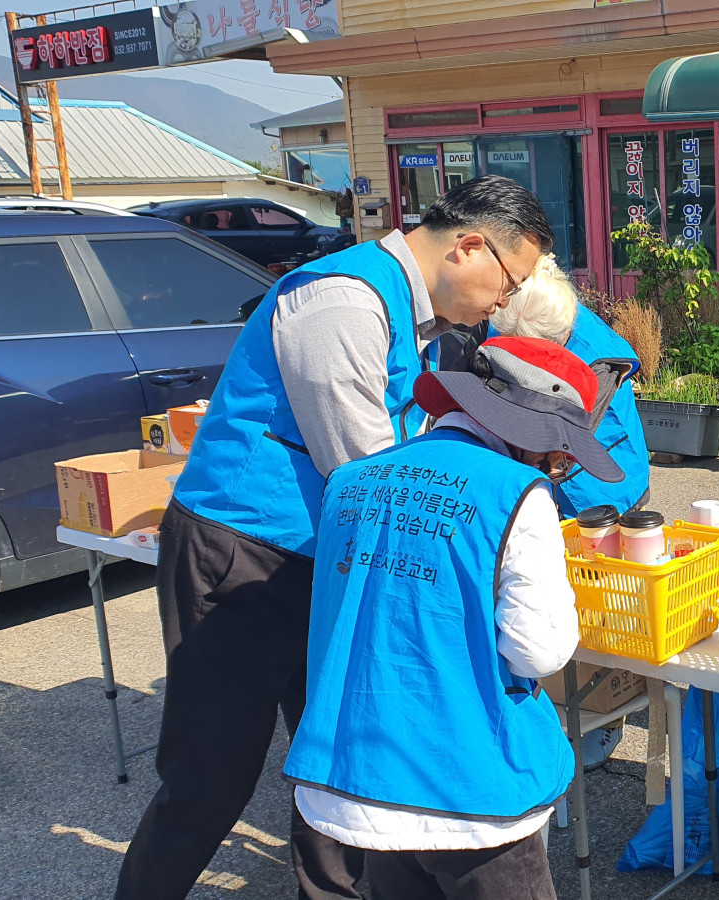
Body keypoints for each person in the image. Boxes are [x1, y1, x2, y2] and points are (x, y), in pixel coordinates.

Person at [115, 175, 552, 900]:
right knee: (211, 774)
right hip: (243, 551)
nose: (504, 302)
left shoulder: (418, 317)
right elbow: (369, 476)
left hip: (331, 556)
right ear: (469, 247)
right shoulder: (343, 299)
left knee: (340, 759)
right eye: (510, 282)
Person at [284, 336, 624, 899]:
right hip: (467, 785)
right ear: (532, 438)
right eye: (560, 455)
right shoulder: (518, 492)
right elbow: (539, 650)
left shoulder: (349, 479)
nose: (557, 466)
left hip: (360, 774)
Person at [435, 255, 651, 517]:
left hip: (595, 483)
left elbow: (562, 441)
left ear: (561, 335)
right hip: (529, 467)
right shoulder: (508, 314)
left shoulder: (597, 361)